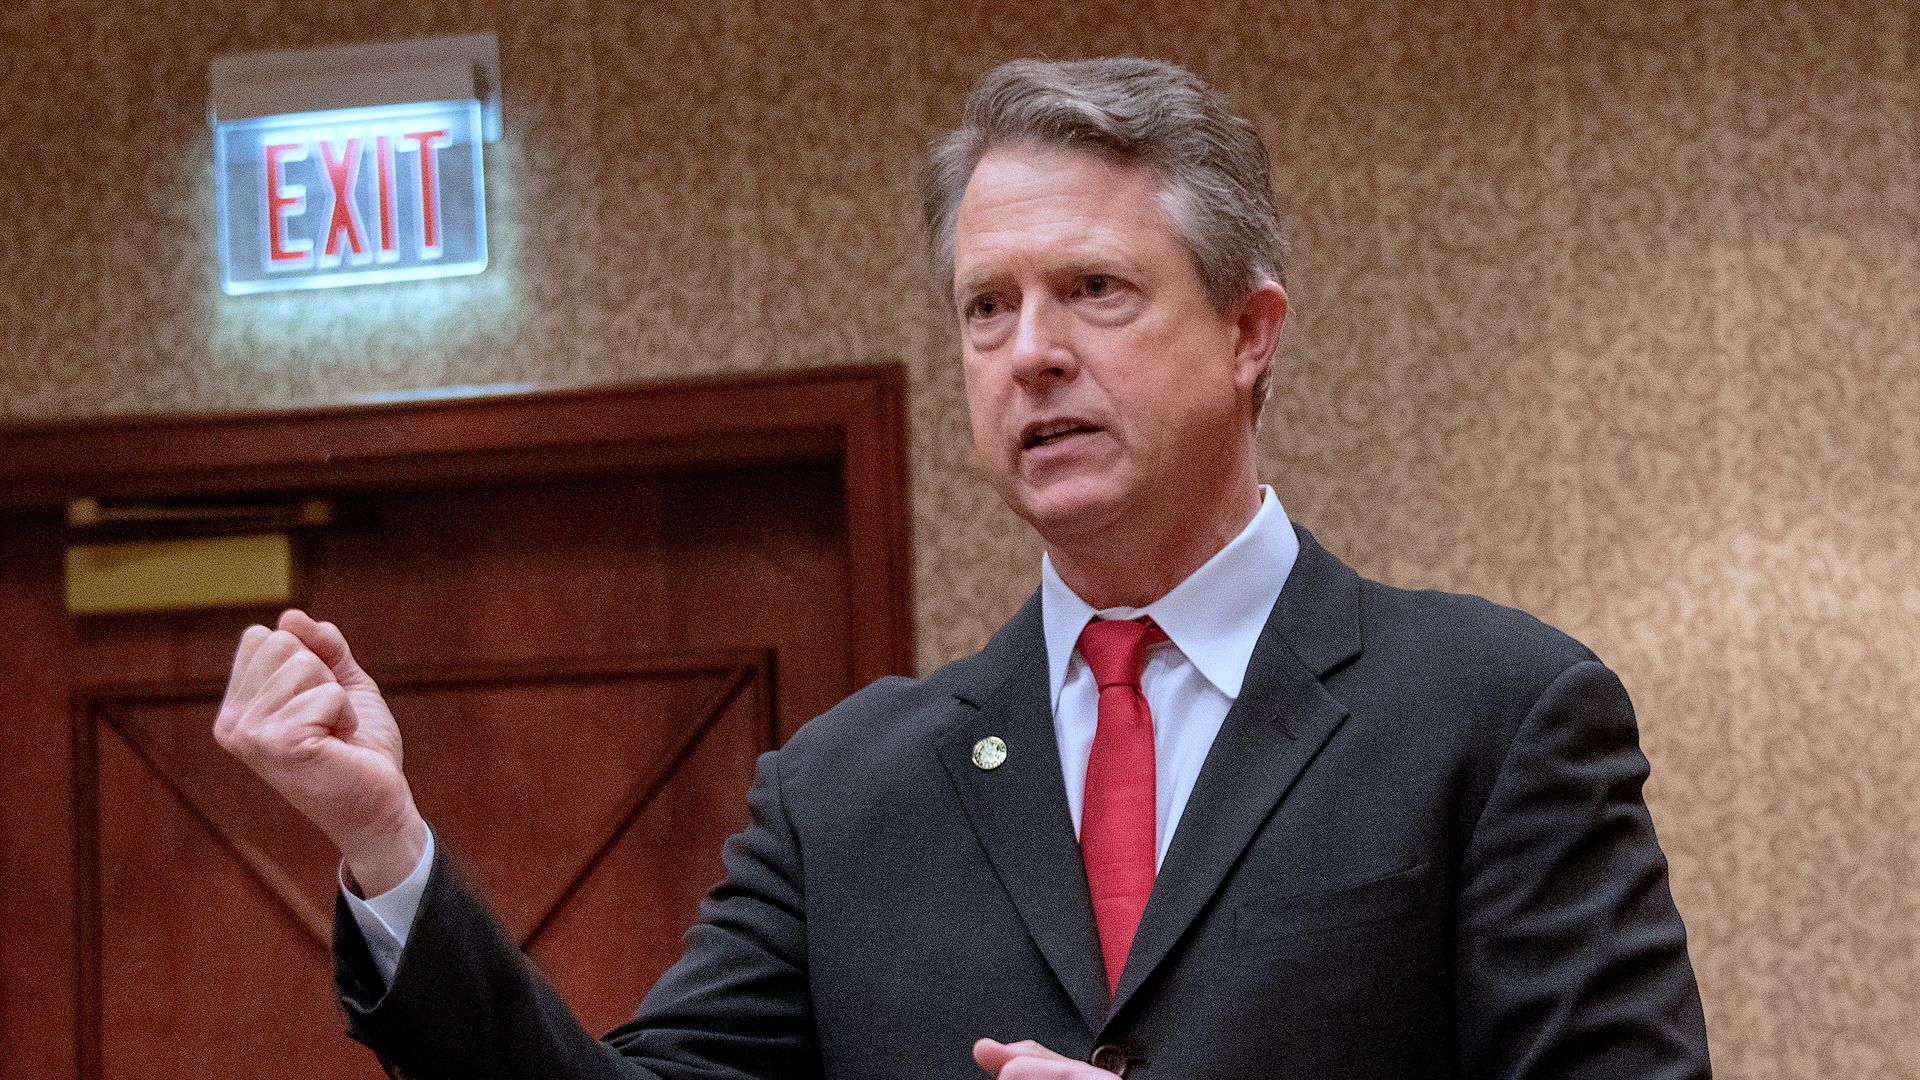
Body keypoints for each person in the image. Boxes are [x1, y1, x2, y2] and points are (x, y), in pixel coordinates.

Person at [215, 57, 1711, 1079]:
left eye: (1095, 289)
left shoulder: (1495, 713)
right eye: (987, 307)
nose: (1030, 352)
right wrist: (386, 843)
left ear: (1250, 334)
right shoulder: (846, 792)